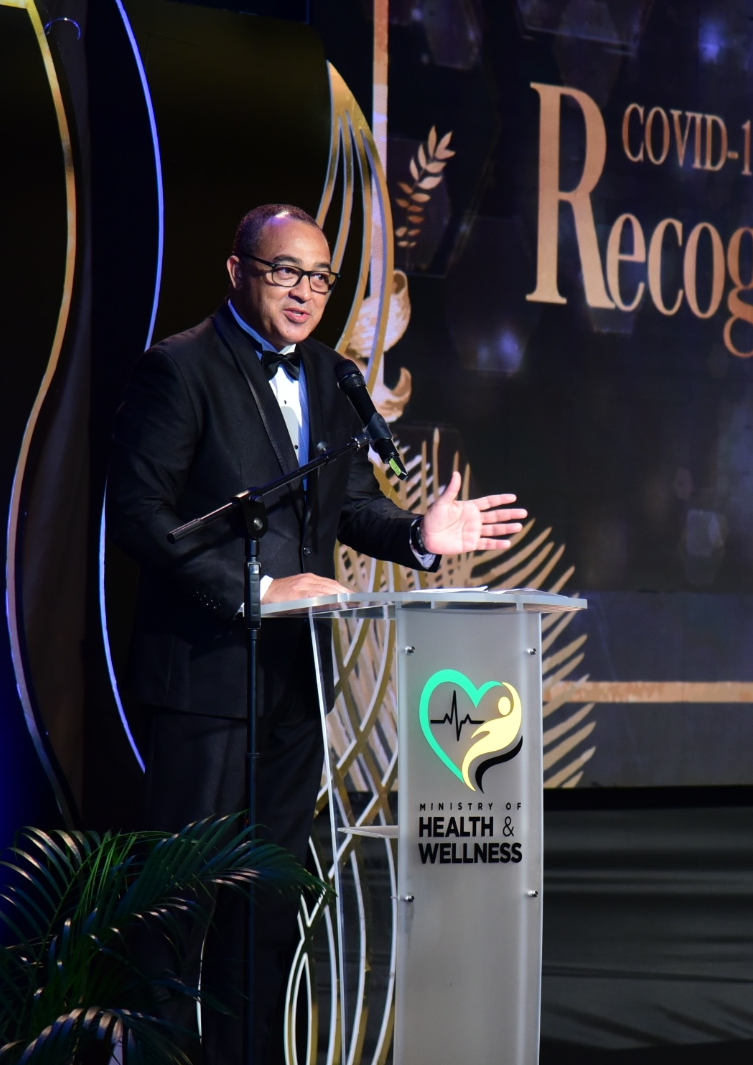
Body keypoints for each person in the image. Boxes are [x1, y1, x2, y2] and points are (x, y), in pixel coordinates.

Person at [107, 203, 524, 1064]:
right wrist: (256, 589)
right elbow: (140, 518)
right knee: (179, 910)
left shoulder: (335, 377)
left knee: (263, 911)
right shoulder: (178, 370)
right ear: (237, 272)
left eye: (321, 278)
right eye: (285, 271)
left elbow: (347, 507)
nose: (305, 293)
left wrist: (416, 536)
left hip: (297, 687)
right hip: (204, 687)